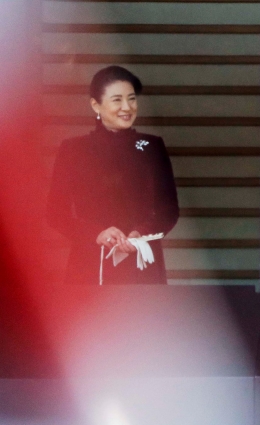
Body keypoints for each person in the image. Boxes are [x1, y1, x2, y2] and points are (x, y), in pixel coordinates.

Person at [46, 65, 179, 284]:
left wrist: (141, 233)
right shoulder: (73, 149)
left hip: (142, 264)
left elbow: (169, 210)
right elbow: (55, 213)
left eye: (132, 99)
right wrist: (96, 234)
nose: (127, 107)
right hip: (89, 265)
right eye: (117, 100)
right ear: (95, 105)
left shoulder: (152, 147)